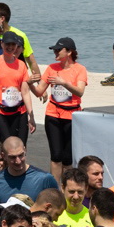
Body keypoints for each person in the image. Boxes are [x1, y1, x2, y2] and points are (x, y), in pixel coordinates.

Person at [32, 37, 87, 183]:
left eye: (58, 50)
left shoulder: (80, 69)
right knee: (56, 156)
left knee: (67, 158)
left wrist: (64, 83)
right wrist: (29, 83)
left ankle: (67, 187)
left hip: (72, 116)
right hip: (53, 114)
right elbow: (39, 91)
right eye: (54, 50)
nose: (55, 52)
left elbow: (80, 91)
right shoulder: (51, 68)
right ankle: (55, 188)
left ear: (69, 52)